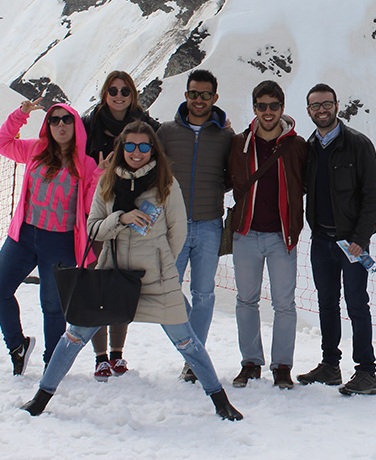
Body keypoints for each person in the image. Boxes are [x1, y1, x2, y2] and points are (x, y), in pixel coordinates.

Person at [20, 122, 242, 421]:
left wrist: (160, 262)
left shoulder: (166, 184)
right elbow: (93, 228)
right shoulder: (107, 183)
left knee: (187, 342)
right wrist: (120, 219)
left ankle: (220, 401)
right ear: (121, 148)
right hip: (112, 275)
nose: (137, 152)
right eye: (130, 146)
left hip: (156, 281)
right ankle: (41, 398)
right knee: (73, 336)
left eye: (144, 146)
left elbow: (177, 233)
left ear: (153, 150)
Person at [0, 100, 102, 374]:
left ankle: (53, 362)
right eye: (54, 120)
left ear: (76, 125)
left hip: (60, 242)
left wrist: (100, 174)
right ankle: (17, 346)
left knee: (52, 307)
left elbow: (89, 207)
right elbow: (1, 144)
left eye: (67, 119)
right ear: (48, 125)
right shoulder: (35, 150)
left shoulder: (86, 164)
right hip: (24, 236)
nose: (61, 125)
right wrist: (21, 114)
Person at [296, 84, 376, 395]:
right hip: (321, 240)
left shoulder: (358, 144)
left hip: (351, 243)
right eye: (315, 105)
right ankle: (330, 366)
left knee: (357, 304)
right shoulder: (309, 148)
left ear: (336, 105)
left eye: (326, 104)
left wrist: (361, 237)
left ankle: (366, 372)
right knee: (326, 304)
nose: (322, 110)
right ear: (308, 110)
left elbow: (373, 195)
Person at [226, 80, 306, 389]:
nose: (268, 112)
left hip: (281, 237)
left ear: (282, 108)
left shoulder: (297, 146)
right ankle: (250, 363)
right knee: (246, 300)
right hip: (246, 233)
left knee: (284, 304)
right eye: (262, 106)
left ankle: (282, 366)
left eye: (273, 106)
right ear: (254, 108)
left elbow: (308, 183)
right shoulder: (239, 143)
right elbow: (224, 178)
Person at [81, 70, 160, 381]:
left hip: (132, 214)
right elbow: (72, 158)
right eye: (113, 90)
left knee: (121, 285)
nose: (118, 96)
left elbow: (165, 149)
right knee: (97, 286)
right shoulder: (89, 125)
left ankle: (117, 354)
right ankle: (100, 357)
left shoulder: (145, 125)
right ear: (104, 93)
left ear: (133, 95)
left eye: (124, 91)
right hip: (98, 212)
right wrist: (96, 172)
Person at [157, 69, 233, 382]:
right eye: (193, 94)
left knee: (203, 293)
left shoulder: (226, 137)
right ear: (185, 95)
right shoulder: (166, 132)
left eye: (204, 95)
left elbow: (232, 175)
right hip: (172, 226)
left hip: (210, 224)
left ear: (214, 97)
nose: (198, 100)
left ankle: (193, 363)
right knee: (164, 291)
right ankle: (195, 351)